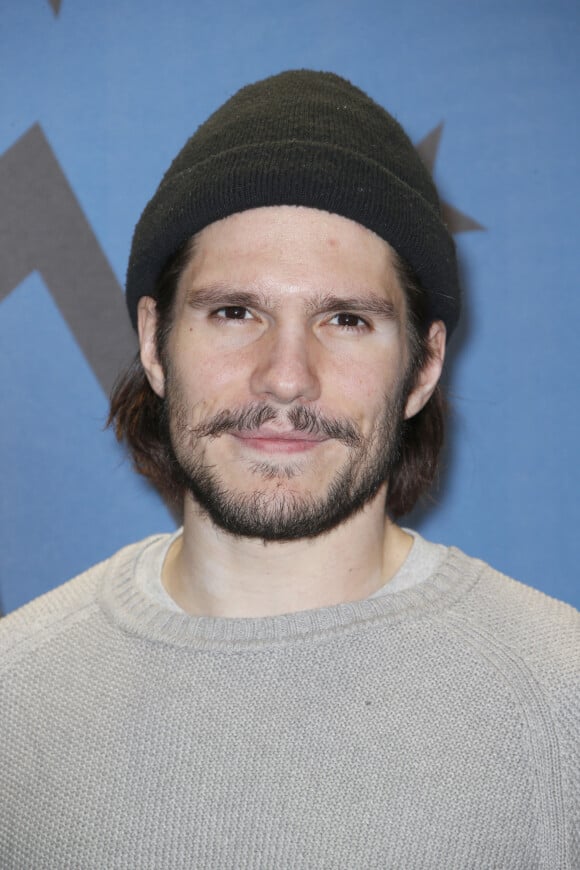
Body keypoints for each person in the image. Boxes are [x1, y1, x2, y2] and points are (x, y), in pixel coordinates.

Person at [1, 70, 578, 869]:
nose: (285, 376)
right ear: (153, 340)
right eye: (235, 312)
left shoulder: (562, 701)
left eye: (346, 320)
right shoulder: (16, 698)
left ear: (424, 366)